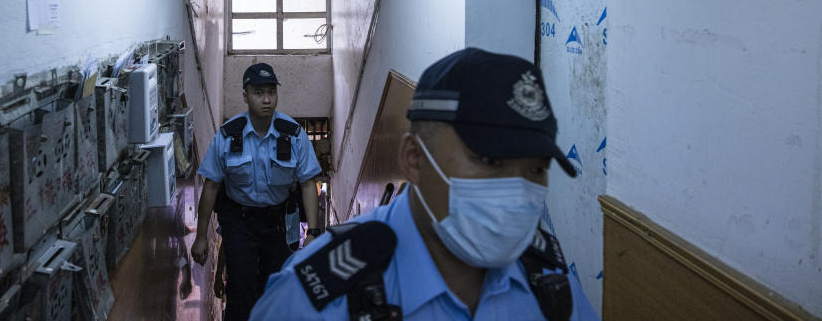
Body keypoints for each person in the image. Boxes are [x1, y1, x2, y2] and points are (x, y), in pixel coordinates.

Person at [249, 48, 600, 320]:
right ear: (414, 159)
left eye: (536, 169)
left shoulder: (549, 281)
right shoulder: (317, 297)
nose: (517, 190)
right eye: (490, 161)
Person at [190, 62, 323, 321]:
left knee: (278, 285)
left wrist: (314, 234)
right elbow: (211, 186)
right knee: (241, 287)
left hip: (281, 223)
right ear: (245, 95)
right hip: (240, 222)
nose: (266, 100)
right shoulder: (228, 136)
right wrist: (202, 236)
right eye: (258, 93)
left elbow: (308, 183)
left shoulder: (294, 135)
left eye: (271, 93)